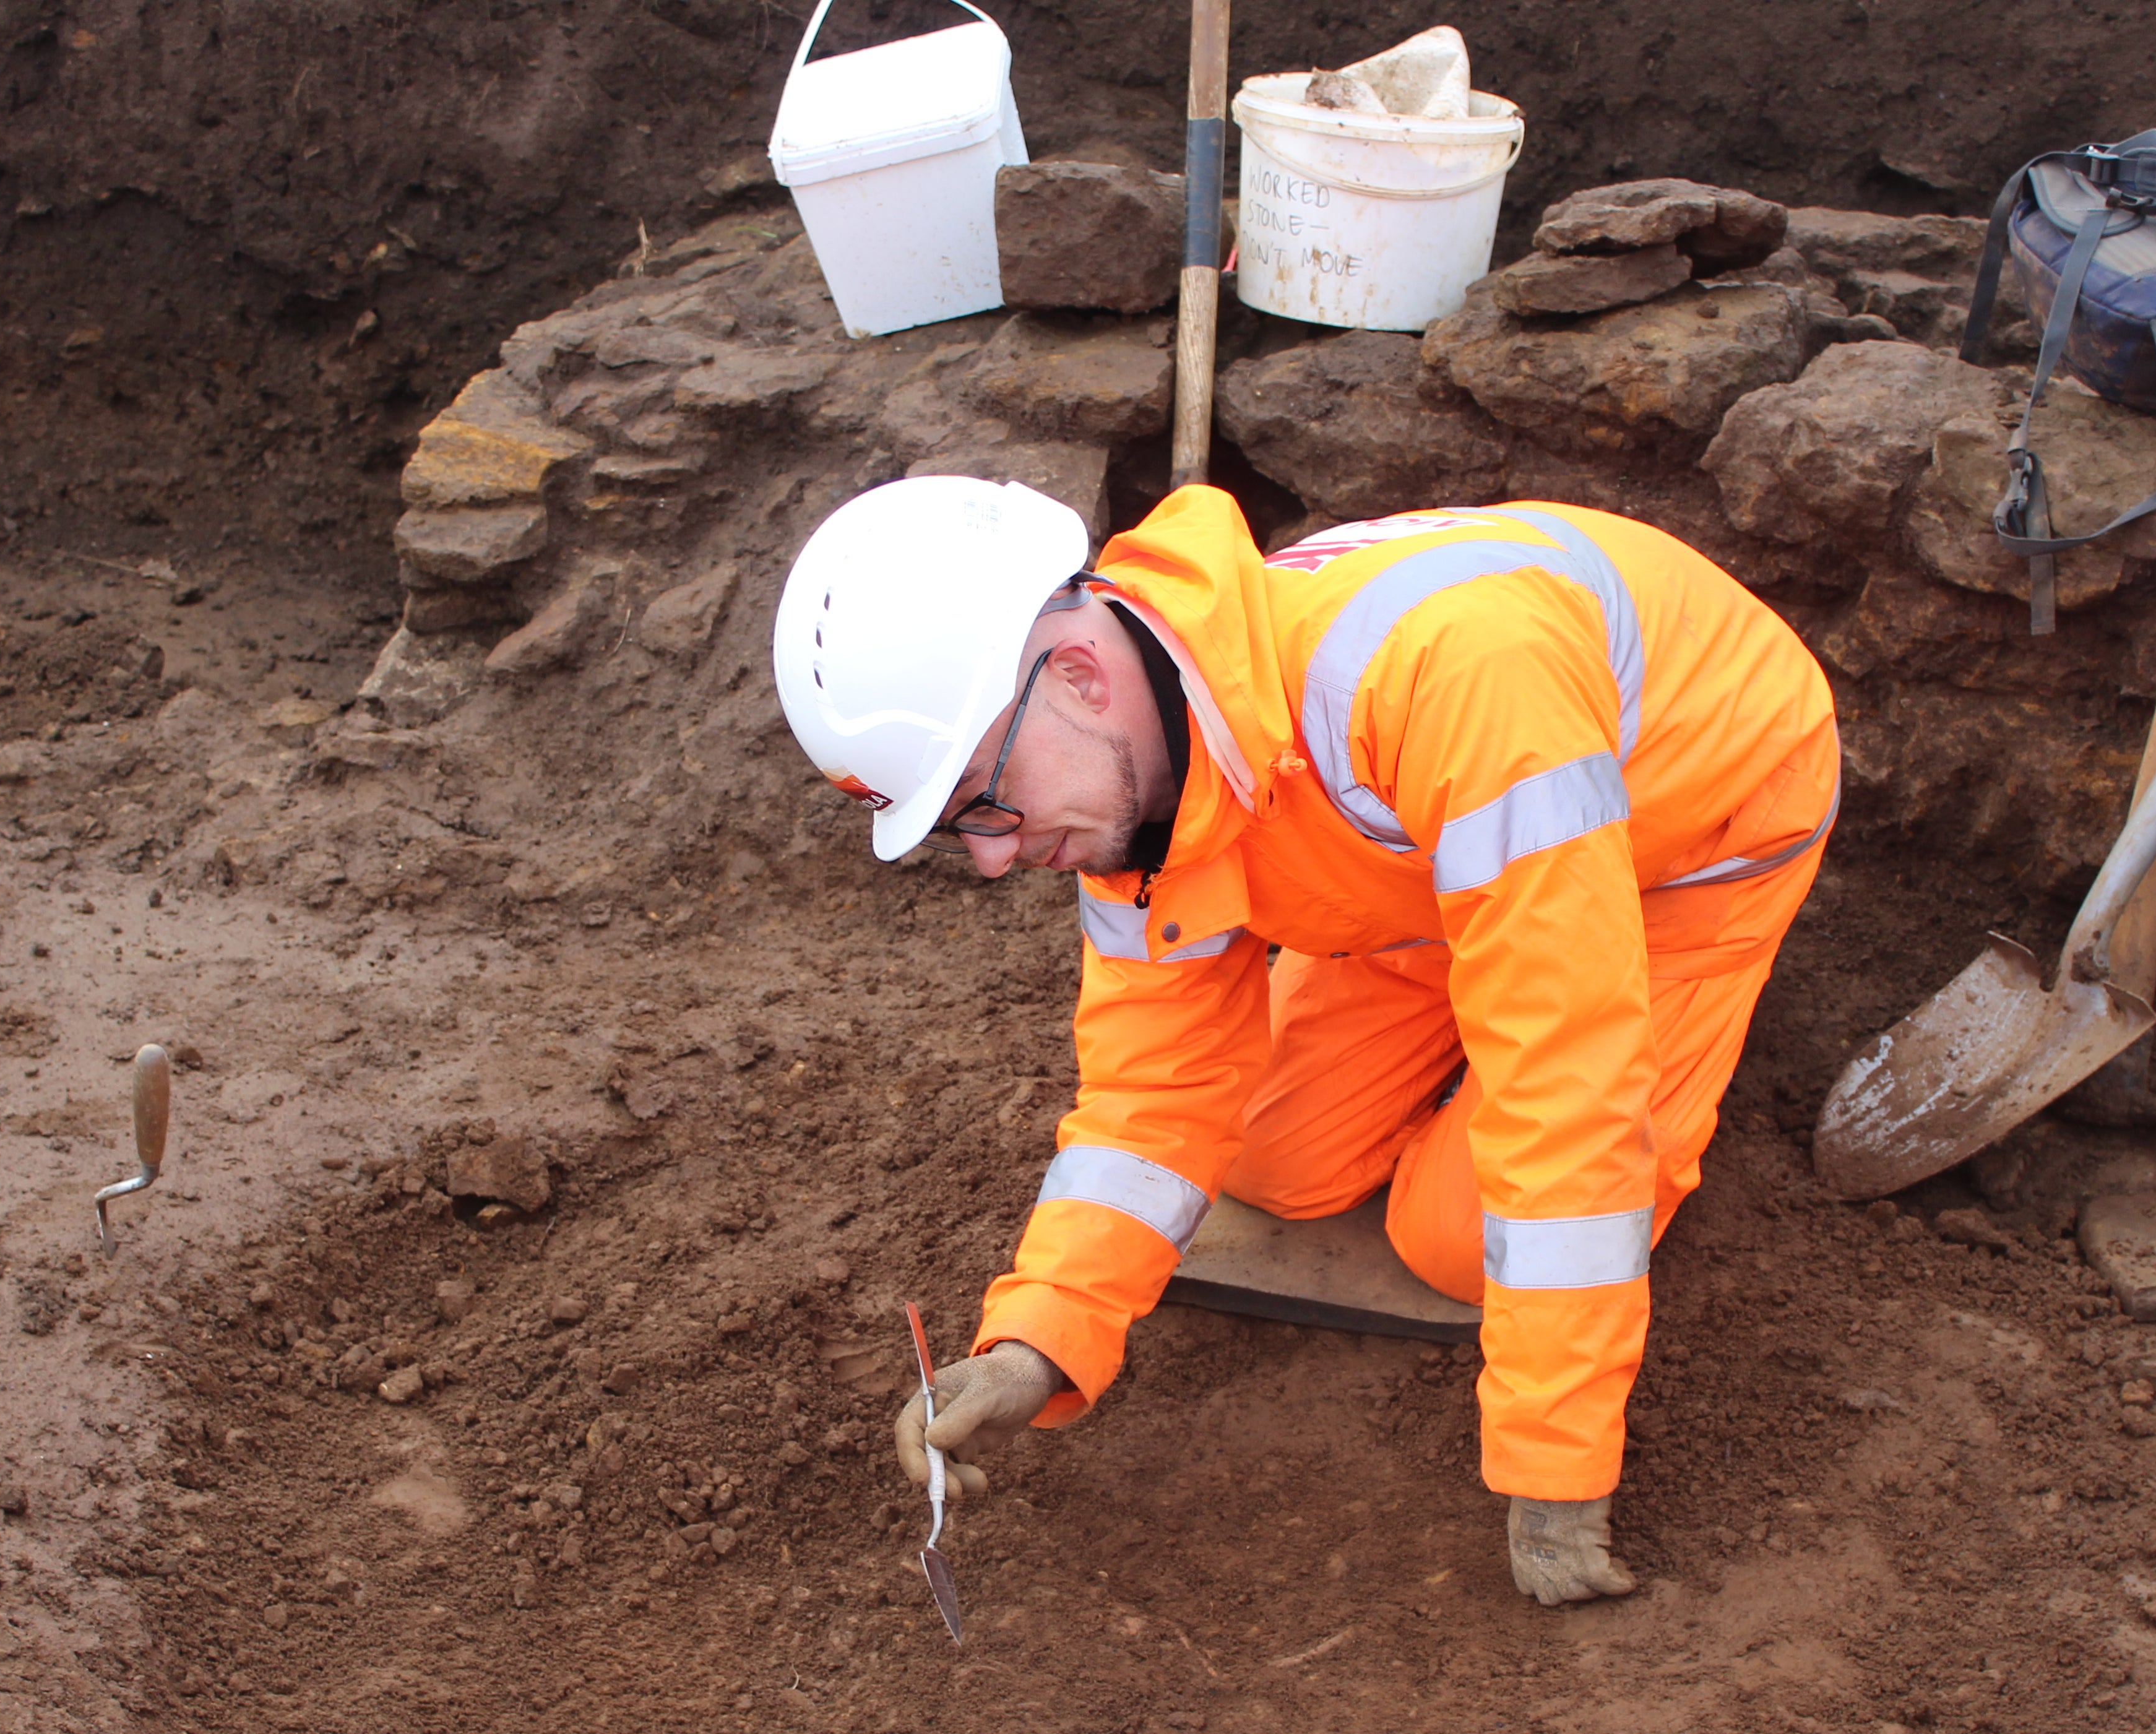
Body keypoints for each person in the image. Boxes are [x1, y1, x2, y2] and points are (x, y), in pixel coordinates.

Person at [770, 477, 1838, 1604]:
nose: (991, 859)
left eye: (983, 804)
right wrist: (1038, 1339)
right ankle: (1460, 966)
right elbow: (1155, 1094)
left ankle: (1543, 1021)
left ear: (1078, 678)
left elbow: (1566, 1073)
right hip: (1428, 853)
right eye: (954, 833)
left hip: (1682, 844)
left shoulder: (1451, 673)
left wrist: (1559, 1467)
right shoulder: (1125, 792)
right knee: (1267, 1157)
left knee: (1460, 1238)